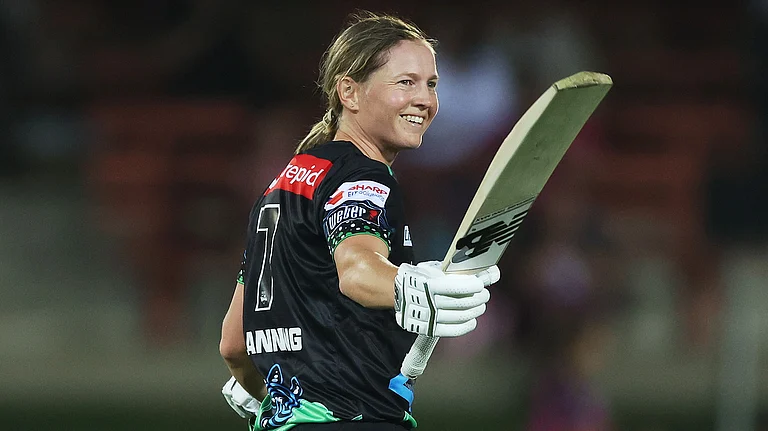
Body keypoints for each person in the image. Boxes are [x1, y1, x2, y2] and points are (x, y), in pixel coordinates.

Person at [219, 11, 501, 430]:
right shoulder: (363, 175)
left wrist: (271, 395)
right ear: (349, 92)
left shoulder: (281, 186)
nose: (425, 99)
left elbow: (233, 343)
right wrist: (415, 289)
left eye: (431, 84)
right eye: (405, 82)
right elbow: (356, 269)